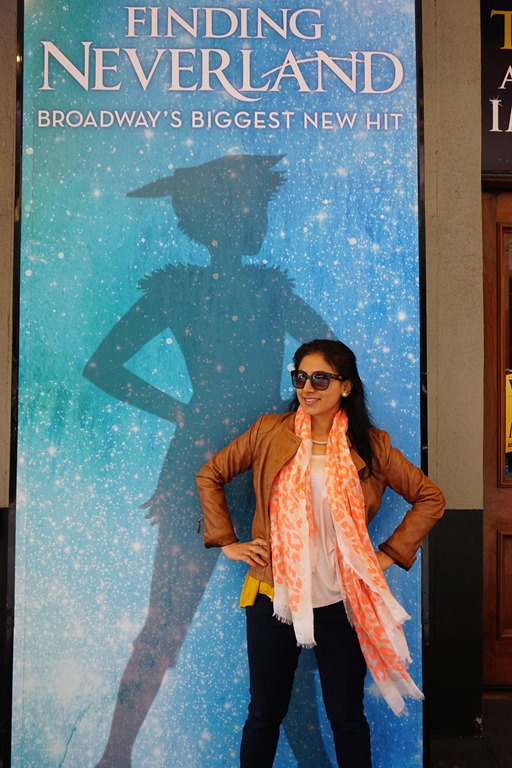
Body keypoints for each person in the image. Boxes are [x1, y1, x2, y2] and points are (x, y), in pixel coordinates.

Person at [196, 338, 445, 768]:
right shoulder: (269, 432)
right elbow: (210, 474)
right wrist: (227, 542)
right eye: (300, 377)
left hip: (342, 603)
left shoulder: (372, 446)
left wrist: (387, 555)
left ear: (345, 386)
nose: (307, 388)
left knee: (347, 717)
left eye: (320, 378)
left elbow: (430, 498)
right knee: (264, 714)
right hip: (274, 596)